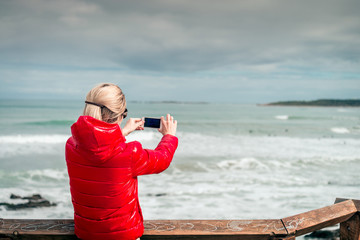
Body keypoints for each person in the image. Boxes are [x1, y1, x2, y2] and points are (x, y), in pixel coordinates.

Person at [65, 83, 178, 240]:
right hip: (123, 236)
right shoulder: (129, 153)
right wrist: (169, 136)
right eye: (123, 114)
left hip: (86, 234)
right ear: (117, 115)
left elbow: (98, 147)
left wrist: (123, 131)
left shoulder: (72, 145)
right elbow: (162, 160)